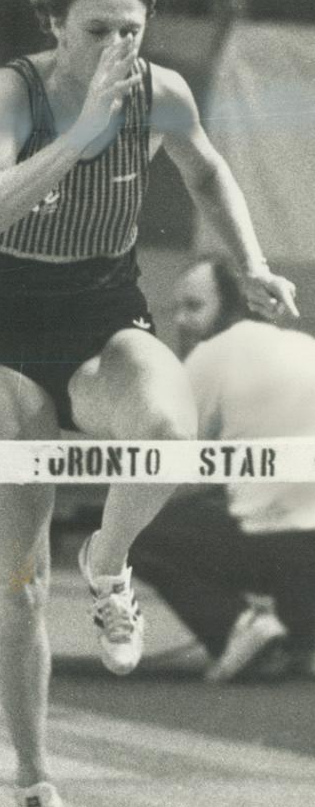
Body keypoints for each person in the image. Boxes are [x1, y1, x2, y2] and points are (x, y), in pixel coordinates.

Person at [0, 0, 299, 807]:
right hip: (4, 334)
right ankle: (34, 791)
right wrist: (78, 138)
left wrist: (253, 265)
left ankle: (107, 566)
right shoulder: (11, 93)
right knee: (13, 587)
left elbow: (208, 170)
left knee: (171, 433)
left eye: (131, 30)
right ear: (55, 24)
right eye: (98, 29)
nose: (117, 47)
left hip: (104, 318)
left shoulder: (163, 92)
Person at [127, 257, 315, 682]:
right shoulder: (305, 346)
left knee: (134, 527)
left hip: (281, 547)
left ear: (233, 307)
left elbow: (166, 473)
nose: (180, 320)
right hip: (302, 551)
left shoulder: (212, 355)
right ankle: (303, 640)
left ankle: (234, 626)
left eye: (193, 306)